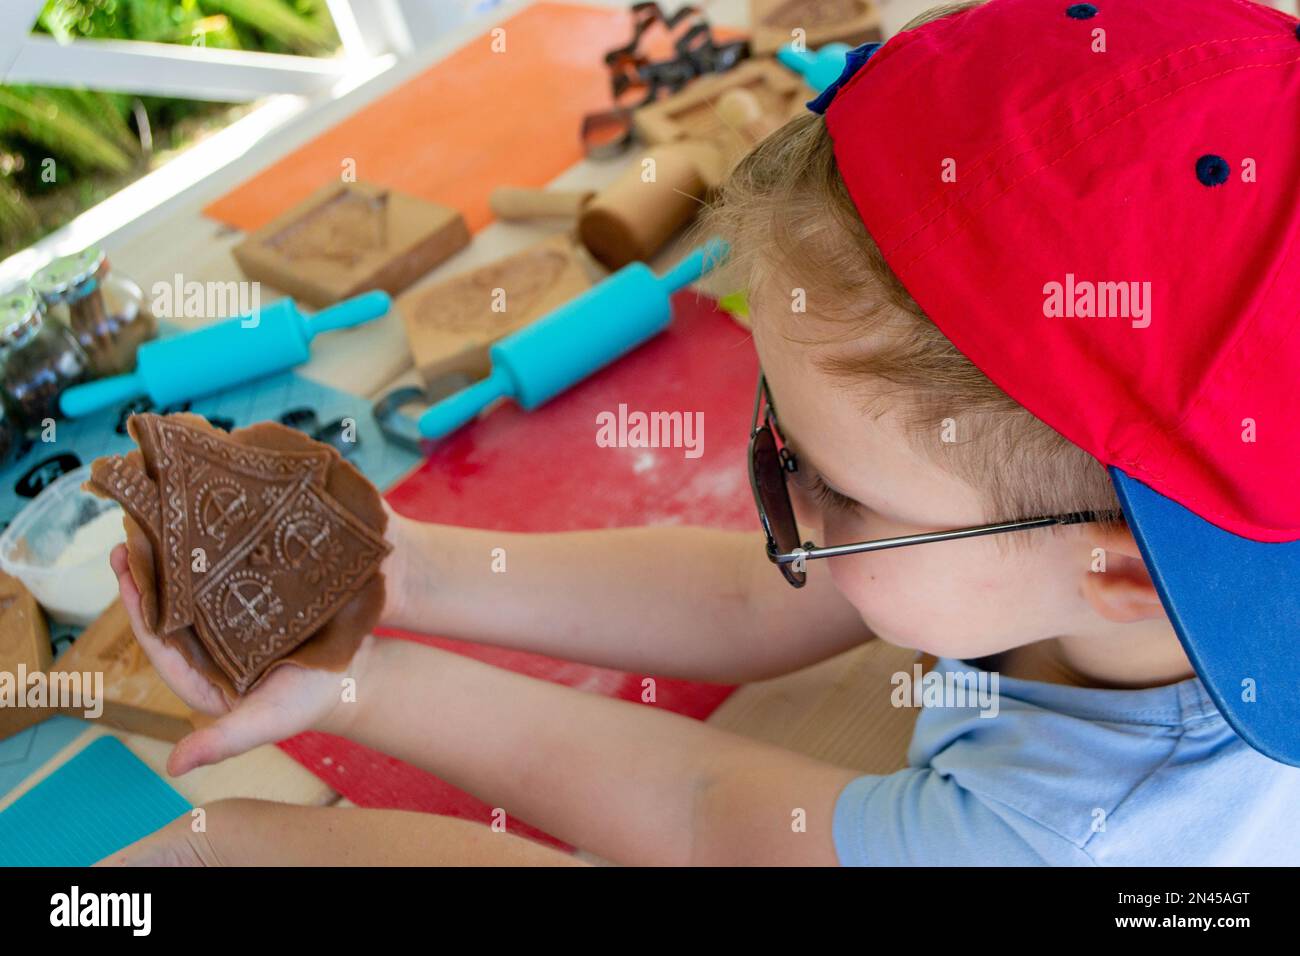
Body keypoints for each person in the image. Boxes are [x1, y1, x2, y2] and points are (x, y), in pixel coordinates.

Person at [102, 0, 1300, 866]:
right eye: (777, 423)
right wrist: (404, 570)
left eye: (821, 481)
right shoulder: (1089, 542)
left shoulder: (1073, 840)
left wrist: (249, 833)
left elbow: (698, 816)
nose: (773, 495)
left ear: (1121, 567)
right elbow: (758, 597)